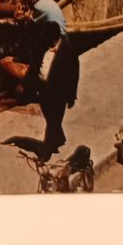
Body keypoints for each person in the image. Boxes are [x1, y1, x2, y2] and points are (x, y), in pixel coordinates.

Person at [30, 19, 81, 157]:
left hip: (59, 95)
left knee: (53, 122)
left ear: (54, 37)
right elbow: (34, 65)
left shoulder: (69, 53)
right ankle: (59, 137)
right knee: (50, 119)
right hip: (43, 92)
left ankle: (46, 151)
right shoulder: (43, 46)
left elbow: (73, 77)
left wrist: (71, 97)